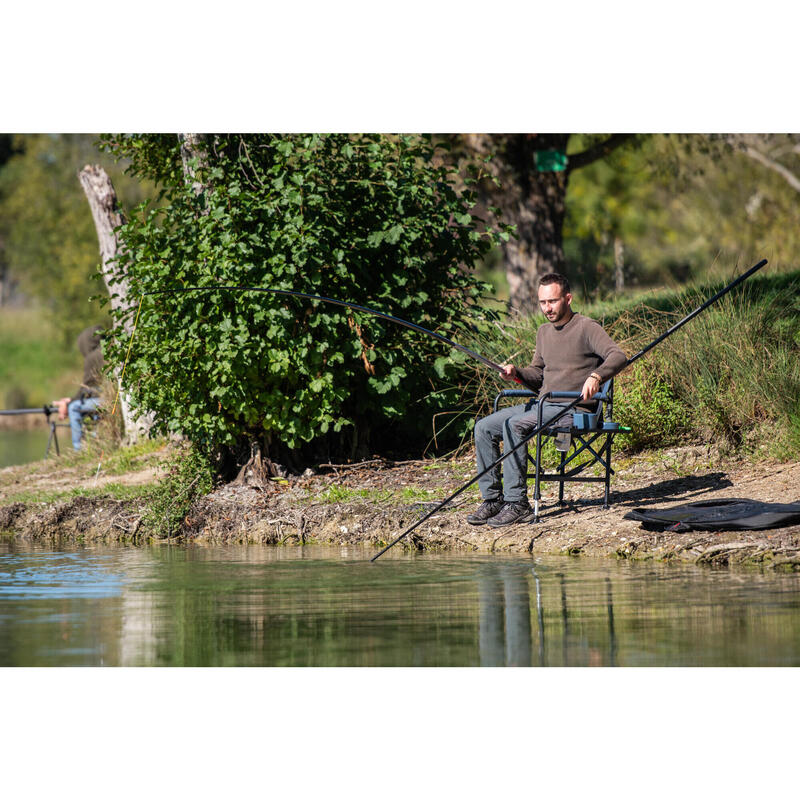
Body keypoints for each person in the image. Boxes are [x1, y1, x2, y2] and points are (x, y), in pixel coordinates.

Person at [467, 273, 627, 528]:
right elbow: (538, 375)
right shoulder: (544, 332)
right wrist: (516, 373)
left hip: (573, 409)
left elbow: (618, 356)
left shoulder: (587, 327)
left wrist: (596, 375)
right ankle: (493, 500)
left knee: (515, 425)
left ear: (568, 298)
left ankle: (517, 504)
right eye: (542, 302)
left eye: (552, 301)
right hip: (543, 405)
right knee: (484, 427)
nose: (547, 308)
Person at [54, 325, 105, 451]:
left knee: (74, 408)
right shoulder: (109, 351)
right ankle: (96, 443)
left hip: (105, 401)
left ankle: (79, 450)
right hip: (109, 399)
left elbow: (86, 388)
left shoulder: (92, 358)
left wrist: (69, 403)